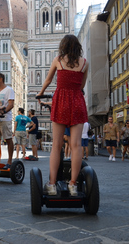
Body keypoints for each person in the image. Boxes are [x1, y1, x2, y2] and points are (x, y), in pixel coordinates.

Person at [37, 34, 89, 197]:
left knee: (56, 144)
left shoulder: (58, 60)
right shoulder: (84, 63)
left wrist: (40, 93)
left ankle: (52, 184)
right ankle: (73, 184)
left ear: (64, 46)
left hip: (61, 101)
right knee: (76, 145)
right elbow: (82, 85)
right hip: (77, 101)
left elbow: (48, 80)